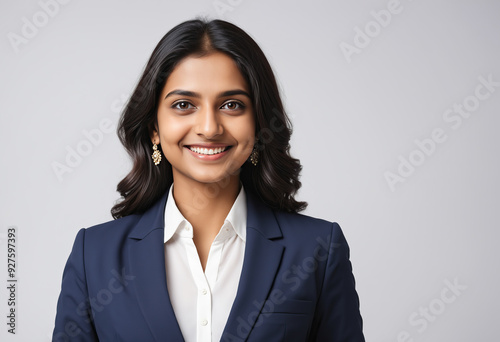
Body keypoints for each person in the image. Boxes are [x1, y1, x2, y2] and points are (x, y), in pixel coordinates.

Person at [52, 18, 365, 342]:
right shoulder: (95, 256)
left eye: (232, 105)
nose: (209, 127)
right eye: (184, 105)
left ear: (258, 123)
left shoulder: (317, 250)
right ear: (154, 128)